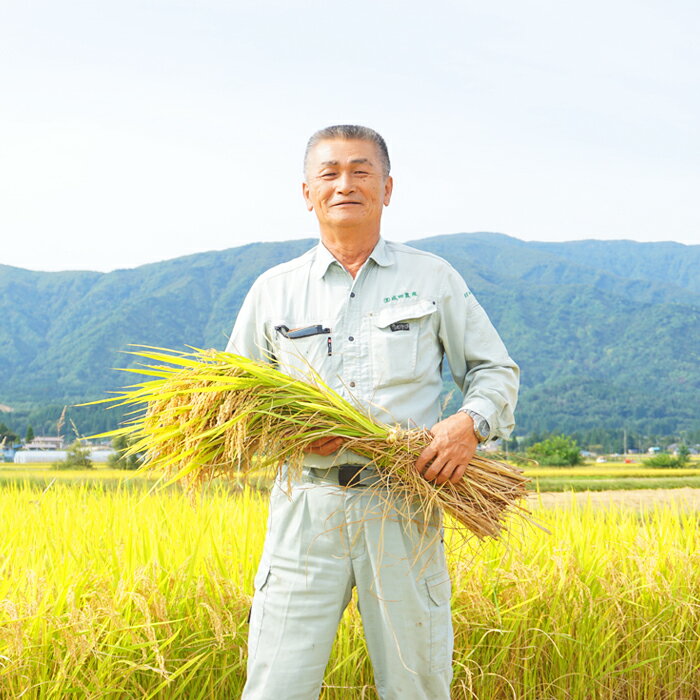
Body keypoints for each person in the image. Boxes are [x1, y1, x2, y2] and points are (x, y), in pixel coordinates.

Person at [226, 125, 519, 700]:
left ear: (387, 188)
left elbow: (495, 371)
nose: (345, 185)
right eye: (329, 173)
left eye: (361, 172)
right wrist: (288, 437)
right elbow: (234, 404)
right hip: (305, 510)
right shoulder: (273, 291)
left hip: (403, 504)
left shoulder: (431, 278)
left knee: (418, 684)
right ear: (307, 192)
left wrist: (470, 424)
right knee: (275, 686)